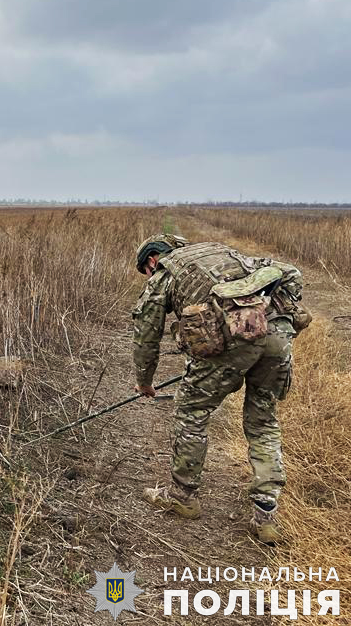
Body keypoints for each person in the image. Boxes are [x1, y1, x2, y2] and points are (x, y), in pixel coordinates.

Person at [131, 233, 311, 543]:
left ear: (151, 259)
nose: (150, 275)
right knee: (263, 422)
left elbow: (147, 334)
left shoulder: (166, 270)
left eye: (147, 271)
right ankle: (265, 516)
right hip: (278, 335)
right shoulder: (220, 252)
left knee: (191, 411)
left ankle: (183, 497)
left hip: (236, 338)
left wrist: (145, 380)